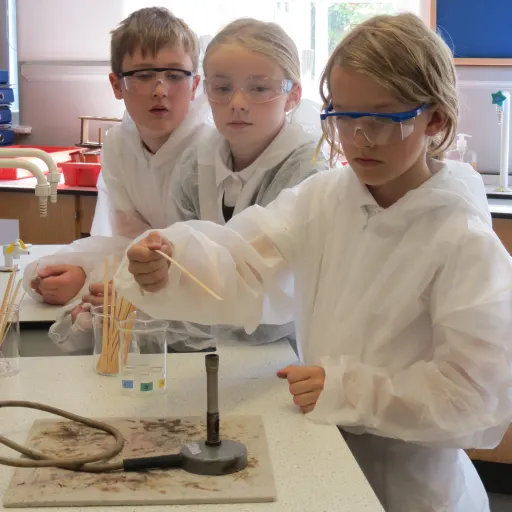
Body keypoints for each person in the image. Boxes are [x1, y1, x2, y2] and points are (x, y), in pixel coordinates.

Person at [116, 13, 512, 512]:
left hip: (412, 489)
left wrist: (350, 389)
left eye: (382, 119)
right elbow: (245, 263)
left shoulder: (461, 238)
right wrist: (172, 264)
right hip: (324, 454)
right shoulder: (326, 198)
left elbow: (475, 397)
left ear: (434, 118)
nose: (358, 138)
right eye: (343, 117)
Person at [24, 6, 209, 307]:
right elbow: (126, 245)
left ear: (195, 86)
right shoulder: (120, 147)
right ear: (116, 84)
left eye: (175, 75)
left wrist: (131, 291)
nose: (160, 90)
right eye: (144, 75)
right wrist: (83, 273)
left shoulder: (212, 150)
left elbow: (218, 264)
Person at [169, 18, 328, 348]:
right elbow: (183, 264)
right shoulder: (194, 164)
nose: (238, 103)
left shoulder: (308, 174)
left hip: (286, 352)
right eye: (223, 88)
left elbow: (280, 291)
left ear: (293, 95)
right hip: (205, 343)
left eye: (258, 88)